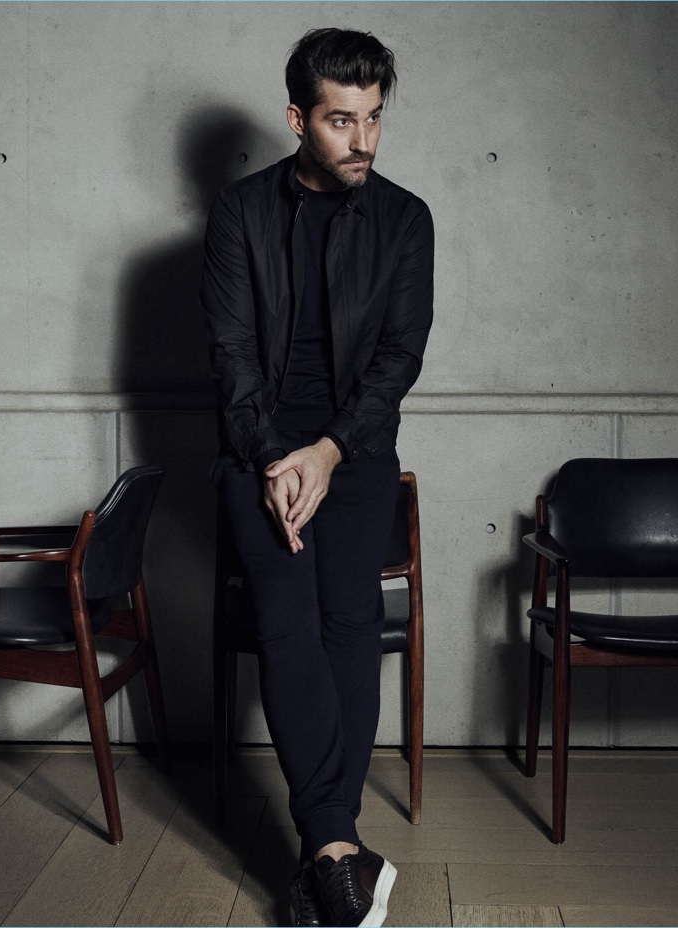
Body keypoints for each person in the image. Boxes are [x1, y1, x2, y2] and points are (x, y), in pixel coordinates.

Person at [200, 26, 433, 928]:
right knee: (285, 615)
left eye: (374, 118)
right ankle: (337, 849)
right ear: (299, 119)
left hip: (357, 450)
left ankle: (323, 857)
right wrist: (273, 459)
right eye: (342, 120)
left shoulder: (405, 219)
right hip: (255, 450)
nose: (362, 139)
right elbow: (231, 358)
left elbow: (397, 360)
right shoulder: (239, 213)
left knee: (350, 617)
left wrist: (329, 453)